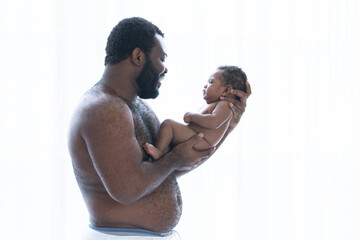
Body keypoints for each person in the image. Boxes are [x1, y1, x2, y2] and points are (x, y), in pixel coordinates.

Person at [67, 17, 251, 238]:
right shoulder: (103, 108)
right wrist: (172, 160)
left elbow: (169, 167)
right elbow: (127, 189)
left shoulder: (136, 107)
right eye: (161, 59)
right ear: (138, 56)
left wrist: (225, 127)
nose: (165, 69)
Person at [143, 66, 247, 160]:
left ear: (226, 90)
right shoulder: (216, 105)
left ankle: (159, 153)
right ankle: (163, 152)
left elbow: (214, 122)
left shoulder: (225, 105)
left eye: (211, 82)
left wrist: (192, 116)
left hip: (202, 141)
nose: (206, 86)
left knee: (168, 124)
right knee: (169, 130)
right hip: (198, 138)